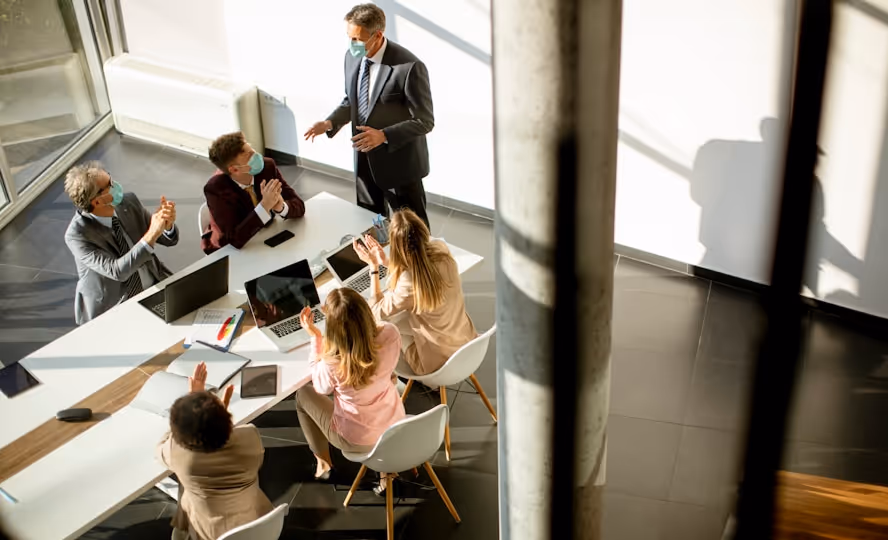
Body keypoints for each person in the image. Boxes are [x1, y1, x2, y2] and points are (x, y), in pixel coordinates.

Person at [304, 3, 434, 227]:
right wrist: (329, 122)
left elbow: (424, 121)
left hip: (400, 166)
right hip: (364, 161)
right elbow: (352, 100)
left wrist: (383, 135)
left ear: (378, 35)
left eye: (357, 39)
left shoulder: (410, 67)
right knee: (371, 223)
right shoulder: (351, 57)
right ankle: (379, 259)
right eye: (349, 37)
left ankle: (419, 263)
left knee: (413, 231)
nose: (352, 44)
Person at [295, 288, 405, 480]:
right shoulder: (391, 334)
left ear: (333, 328)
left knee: (302, 394)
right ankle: (387, 468)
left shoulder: (333, 362)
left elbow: (320, 387)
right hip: (395, 426)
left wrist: (316, 338)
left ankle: (323, 464)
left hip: (357, 439)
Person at [158, 362, 272, 540]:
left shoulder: (179, 455)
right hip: (256, 524)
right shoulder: (250, 437)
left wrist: (194, 398)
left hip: (208, 533)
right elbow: (228, 444)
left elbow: (163, 448)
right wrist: (220, 417)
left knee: (185, 498)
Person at [355, 209, 476, 376]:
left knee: (380, 326)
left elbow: (375, 311)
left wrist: (374, 268)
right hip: (467, 343)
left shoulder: (409, 280)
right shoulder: (442, 250)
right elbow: (420, 268)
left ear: (396, 246)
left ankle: (379, 379)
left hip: (436, 364)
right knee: (401, 316)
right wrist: (386, 262)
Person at [64, 161, 178, 325]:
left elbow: (166, 239)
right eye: (109, 185)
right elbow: (117, 271)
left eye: (110, 178)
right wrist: (152, 232)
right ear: (97, 201)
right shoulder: (78, 235)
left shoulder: (128, 202)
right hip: (115, 308)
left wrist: (166, 225)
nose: (115, 185)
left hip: (154, 287)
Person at [201, 131, 305, 254]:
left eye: (252, 150)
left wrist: (281, 207)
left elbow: (298, 205)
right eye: (249, 156)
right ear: (234, 169)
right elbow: (234, 239)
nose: (257, 156)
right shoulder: (216, 189)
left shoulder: (267, 167)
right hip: (230, 251)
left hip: (265, 237)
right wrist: (264, 206)